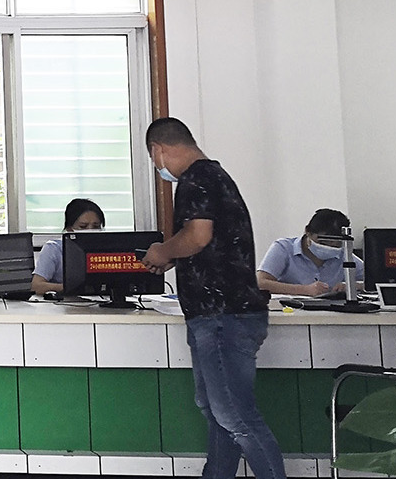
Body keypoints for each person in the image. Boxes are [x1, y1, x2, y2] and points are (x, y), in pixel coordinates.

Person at [139, 117, 283, 479]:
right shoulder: (217, 176)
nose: (158, 168)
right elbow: (210, 243)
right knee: (218, 413)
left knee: (236, 416)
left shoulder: (194, 179)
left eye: (154, 160)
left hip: (222, 316)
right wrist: (173, 256)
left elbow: (198, 235)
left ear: (158, 150)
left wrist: (161, 250)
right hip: (223, 314)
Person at [256, 208, 362, 297]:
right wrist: (305, 290)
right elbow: (260, 283)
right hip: (290, 311)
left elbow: (371, 282)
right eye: (323, 242)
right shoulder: (284, 248)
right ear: (308, 231)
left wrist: (352, 286)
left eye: (337, 244)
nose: (329, 247)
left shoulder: (344, 255)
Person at [31, 199, 106, 297]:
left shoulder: (106, 248)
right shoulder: (54, 249)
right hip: (64, 303)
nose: (90, 230)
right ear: (69, 229)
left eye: (96, 227)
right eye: (83, 226)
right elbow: (36, 286)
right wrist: (68, 288)